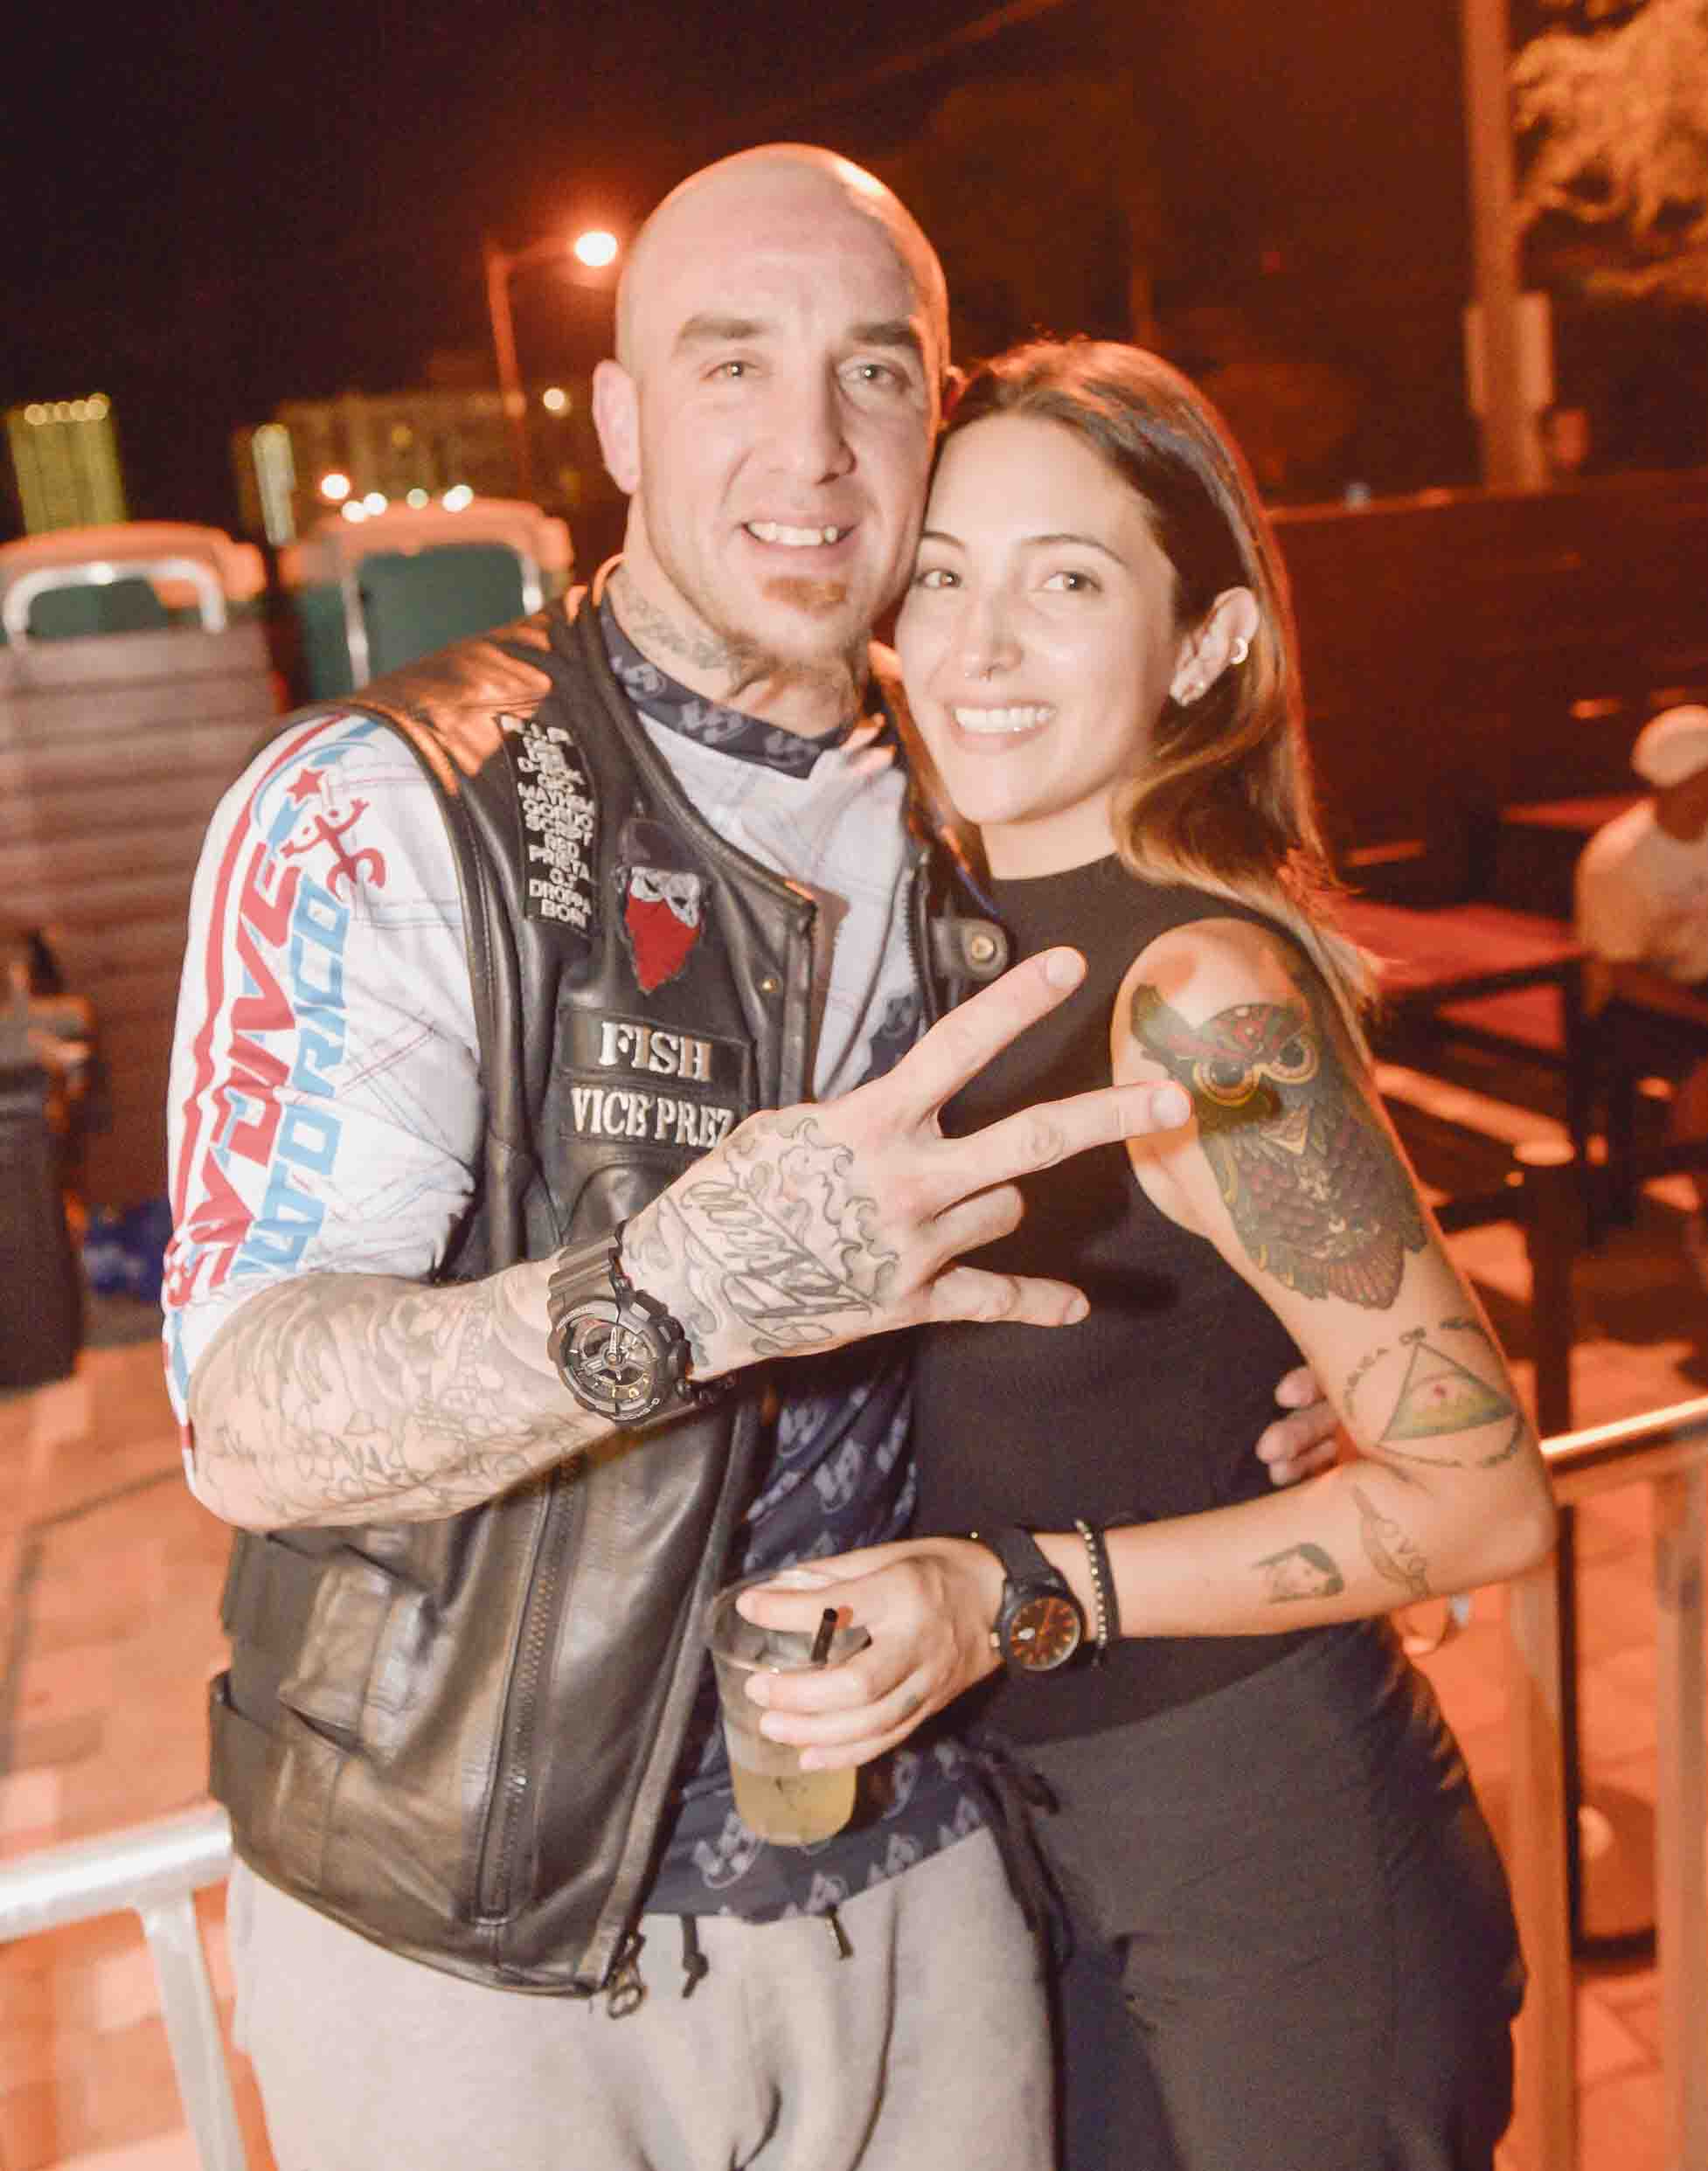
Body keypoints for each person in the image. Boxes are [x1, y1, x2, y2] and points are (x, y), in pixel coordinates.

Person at [163, 152, 1332, 2170]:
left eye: (870, 372)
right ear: (620, 422)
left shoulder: (986, 779)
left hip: (926, 1872)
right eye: (730, 365)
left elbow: (1217, 1101)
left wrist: (1300, 1357)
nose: (808, 446)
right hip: (476, 1946)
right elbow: (247, 1416)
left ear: (932, 413)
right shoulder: (390, 808)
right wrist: (677, 1292)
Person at [739, 339, 1559, 2171]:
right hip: (1026, 1836)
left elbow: (1480, 1495)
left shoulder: (1200, 997)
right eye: (938, 575)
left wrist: (1015, 1591)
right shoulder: (922, 941)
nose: (979, 646)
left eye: (1067, 581)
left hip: (1268, 1856)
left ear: (1204, 644)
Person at [1574, 702, 1708, 1293]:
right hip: (1629, 1003)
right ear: (1692, 779)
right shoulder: (1618, 859)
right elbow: (1623, 976)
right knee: (1704, 1062)